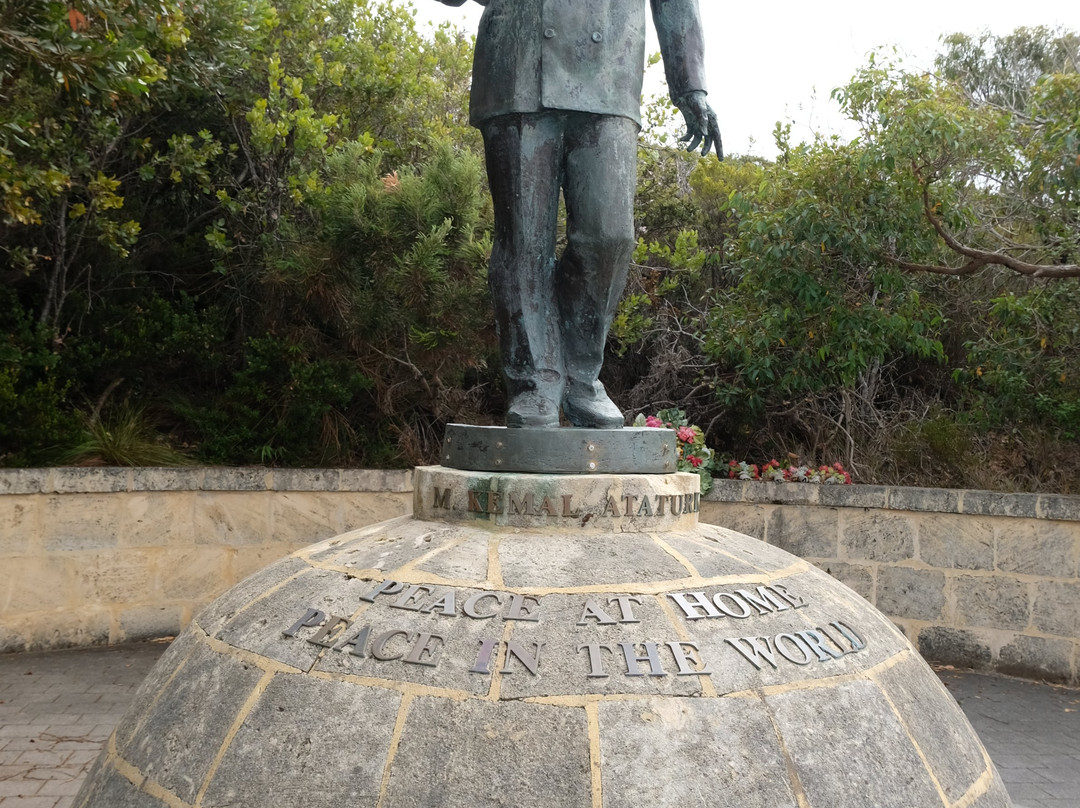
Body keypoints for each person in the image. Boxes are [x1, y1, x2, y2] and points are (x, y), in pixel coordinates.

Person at [438, 0, 722, 428]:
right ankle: (535, 381)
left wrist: (690, 86)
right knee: (523, 240)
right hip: (519, 62)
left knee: (609, 237)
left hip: (610, 70)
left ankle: (582, 376)